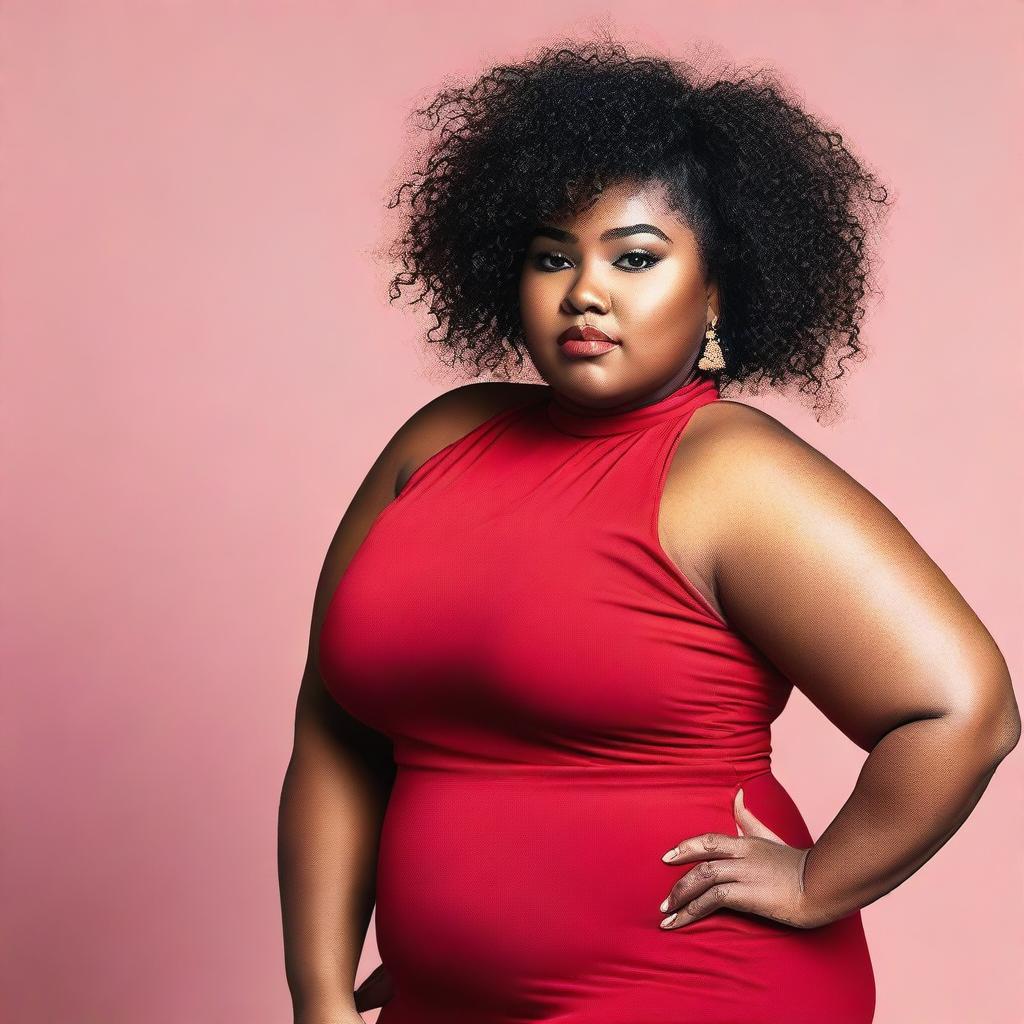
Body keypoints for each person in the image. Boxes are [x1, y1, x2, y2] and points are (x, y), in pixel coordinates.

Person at [278, 37, 1020, 1024]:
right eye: (553, 256)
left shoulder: (729, 473)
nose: (586, 292)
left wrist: (816, 881)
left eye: (634, 257)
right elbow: (335, 732)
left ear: (715, 292)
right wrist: (321, 995)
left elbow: (964, 709)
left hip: (689, 990)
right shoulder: (437, 440)